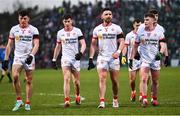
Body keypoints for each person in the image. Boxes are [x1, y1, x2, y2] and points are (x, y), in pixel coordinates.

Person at [2, 10, 39, 111]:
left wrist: (31, 55)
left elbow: (36, 44)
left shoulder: (33, 29)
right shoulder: (14, 29)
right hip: (18, 57)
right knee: (15, 77)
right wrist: (6, 59)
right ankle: (19, 100)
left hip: (29, 57)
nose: (23, 20)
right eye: (21, 18)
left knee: (29, 80)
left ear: (28, 19)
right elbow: (9, 45)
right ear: (18, 19)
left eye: (25, 18)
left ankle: (27, 102)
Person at [88, 8, 125, 108]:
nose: (108, 15)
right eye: (106, 14)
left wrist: (118, 52)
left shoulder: (117, 28)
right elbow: (93, 45)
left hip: (114, 58)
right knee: (102, 78)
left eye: (110, 14)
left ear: (111, 16)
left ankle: (115, 99)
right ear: (102, 16)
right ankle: (102, 102)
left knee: (114, 81)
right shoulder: (97, 29)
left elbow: (122, 41)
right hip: (102, 57)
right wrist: (91, 58)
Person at [129, 13, 166, 107]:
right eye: (144, 20)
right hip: (144, 60)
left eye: (147, 20)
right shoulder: (140, 32)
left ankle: (154, 99)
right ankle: (144, 98)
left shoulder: (159, 32)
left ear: (153, 21)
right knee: (144, 78)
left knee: (155, 81)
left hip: (155, 59)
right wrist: (132, 58)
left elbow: (163, 45)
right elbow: (135, 46)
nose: (145, 21)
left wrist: (161, 53)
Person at [52, 14, 86, 108]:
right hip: (65, 59)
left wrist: (80, 53)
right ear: (63, 22)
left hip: (75, 59)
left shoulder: (77, 31)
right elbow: (58, 46)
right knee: (66, 78)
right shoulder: (60, 33)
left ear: (72, 21)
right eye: (65, 21)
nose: (67, 23)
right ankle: (66, 100)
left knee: (76, 82)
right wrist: (54, 59)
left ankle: (77, 95)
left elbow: (83, 44)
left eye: (68, 21)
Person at [137, 9, 169, 102]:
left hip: (155, 56)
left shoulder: (160, 29)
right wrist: (136, 53)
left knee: (154, 80)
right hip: (144, 55)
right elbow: (138, 40)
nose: (156, 17)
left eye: (157, 16)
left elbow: (163, 43)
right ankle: (142, 96)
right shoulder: (142, 27)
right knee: (144, 77)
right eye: (154, 16)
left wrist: (166, 55)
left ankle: (153, 97)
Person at [122, 19, 142, 102]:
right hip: (132, 59)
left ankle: (141, 94)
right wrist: (123, 56)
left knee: (144, 78)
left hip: (142, 59)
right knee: (132, 80)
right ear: (133, 25)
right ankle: (133, 91)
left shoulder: (144, 34)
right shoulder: (129, 35)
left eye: (140, 25)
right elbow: (125, 46)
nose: (138, 27)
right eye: (137, 25)